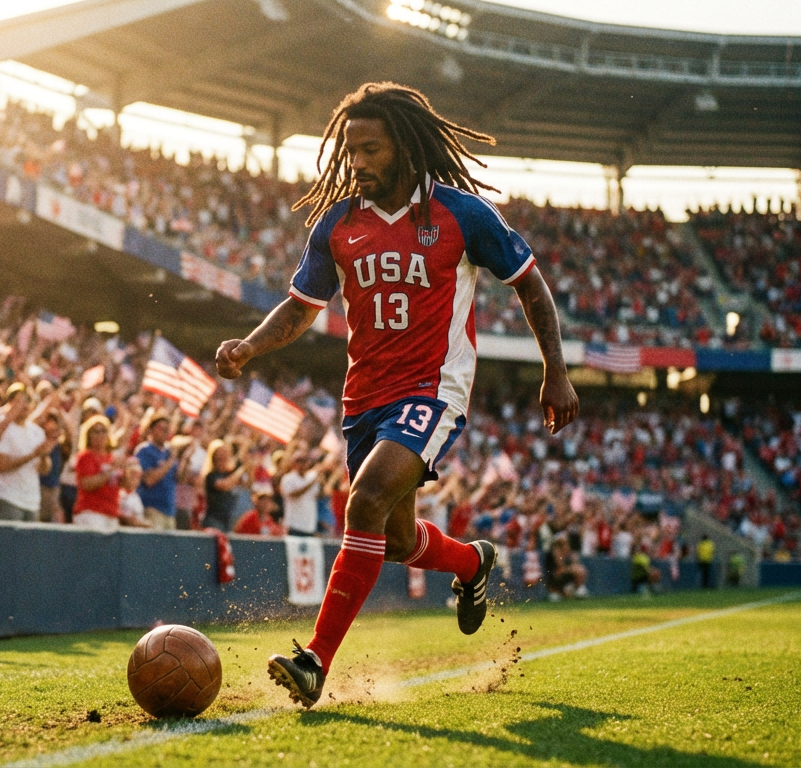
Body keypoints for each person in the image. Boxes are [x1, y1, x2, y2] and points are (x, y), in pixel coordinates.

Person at [217, 82, 578, 707]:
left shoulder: (462, 214)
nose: (356, 161)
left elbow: (530, 284)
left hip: (434, 388)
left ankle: (315, 662)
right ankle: (471, 564)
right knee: (399, 541)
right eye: (350, 149)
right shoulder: (337, 224)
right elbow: (303, 307)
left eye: (370, 149)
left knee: (366, 501)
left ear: (405, 149)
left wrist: (557, 369)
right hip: (364, 399)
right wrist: (250, 346)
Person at [0, 383, 57, 522]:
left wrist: (43, 456)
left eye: (28, 401)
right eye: (20, 401)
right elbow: (2, 466)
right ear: (10, 404)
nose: (25, 406)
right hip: (7, 498)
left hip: (32, 501)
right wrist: (33, 454)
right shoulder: (2, 428)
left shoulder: (37, 431)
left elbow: (44, 470)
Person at [135, 414, 188, 530]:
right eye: (161, 429)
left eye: (167, 429)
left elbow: (180, 479)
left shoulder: (169, 451)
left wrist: (185, 459)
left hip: (169, 510)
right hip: (152, 507)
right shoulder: (145, 450)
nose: (165, 432)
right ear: (151, 430)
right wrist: (171, 460)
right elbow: (149, 480)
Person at [72, 415, 122, 532]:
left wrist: (128, 472)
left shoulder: (111, 458)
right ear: (88, 435)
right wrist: (110, 471)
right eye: (96, 432)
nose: (100, 435)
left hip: (111, 513)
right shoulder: (85, 457)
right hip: (91, 512)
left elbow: (123, 485)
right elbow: (87, 484)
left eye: (104, 431)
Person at [201, 438, 247, 532]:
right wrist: (242, 469)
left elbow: (246, 484)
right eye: (220, 455)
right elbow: (223, 485)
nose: (223, 457)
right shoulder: (212, 475)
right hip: (214, 521)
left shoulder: (230, 474)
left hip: (230, 520)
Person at [279, 451, 321, 536]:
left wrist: (322, 478)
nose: (302, 464)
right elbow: (294, 495)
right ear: (293, 463)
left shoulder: (311, 476)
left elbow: (317, 496)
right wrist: (312, 482)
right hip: (293, 526)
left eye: (304, 461)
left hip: (309, 526)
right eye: (299, 461)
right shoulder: (288, 478)